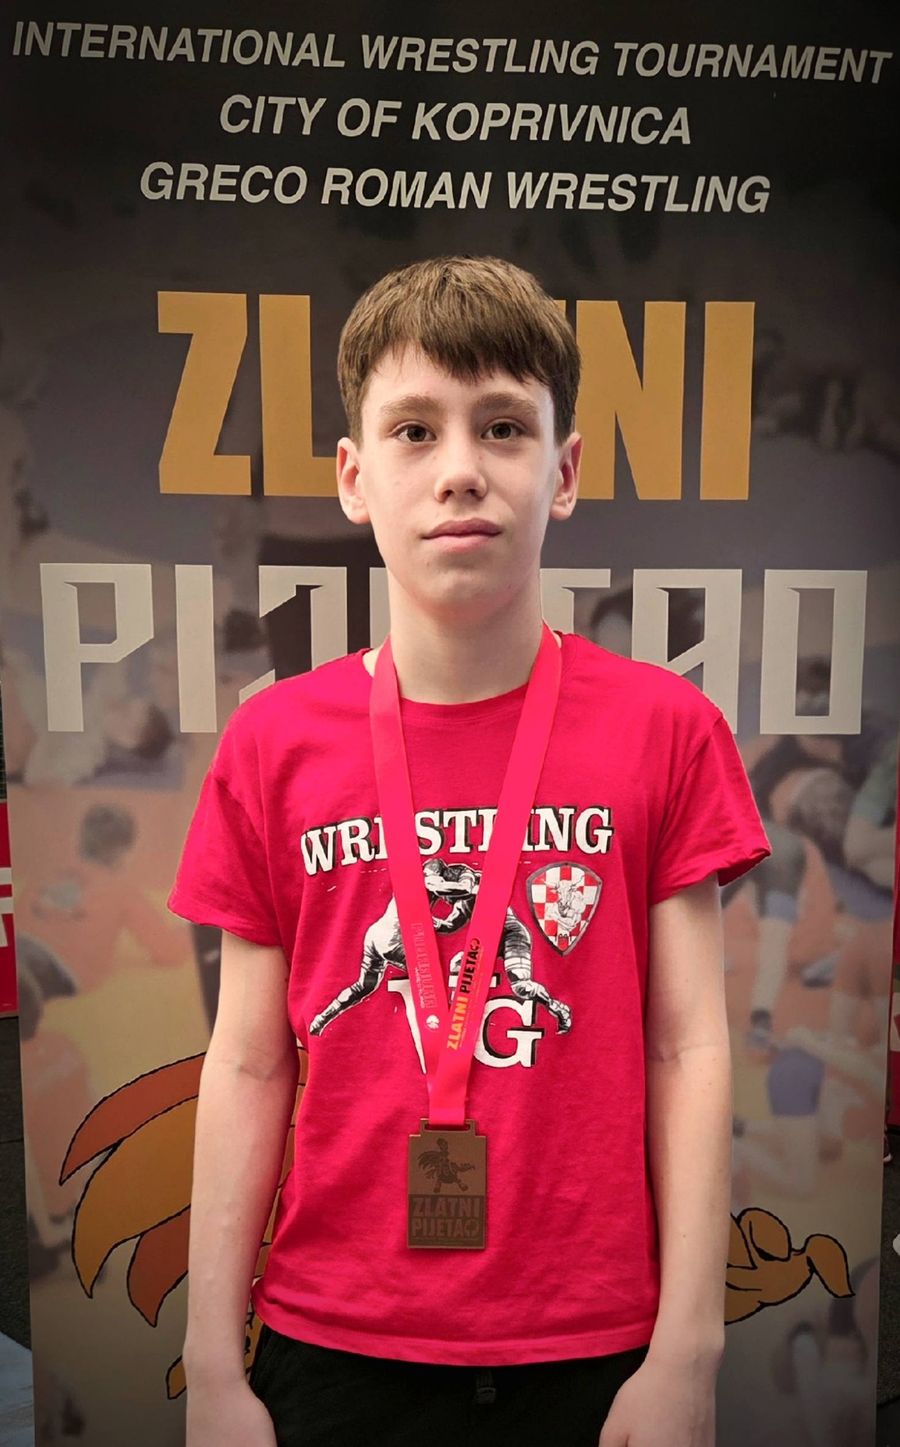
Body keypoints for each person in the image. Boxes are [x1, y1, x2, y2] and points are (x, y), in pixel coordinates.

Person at [168, 255, 771, 1447]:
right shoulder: (273, 743)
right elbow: (244, 1063)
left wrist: (688, 1352)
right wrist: (211, 1365)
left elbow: (688, 1045)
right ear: (355, 479)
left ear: (565, 470)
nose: (460, 469)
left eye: (503, 426)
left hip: (596, 1344)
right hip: (333, 1341)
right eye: (414, 430)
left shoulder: (664, 729)